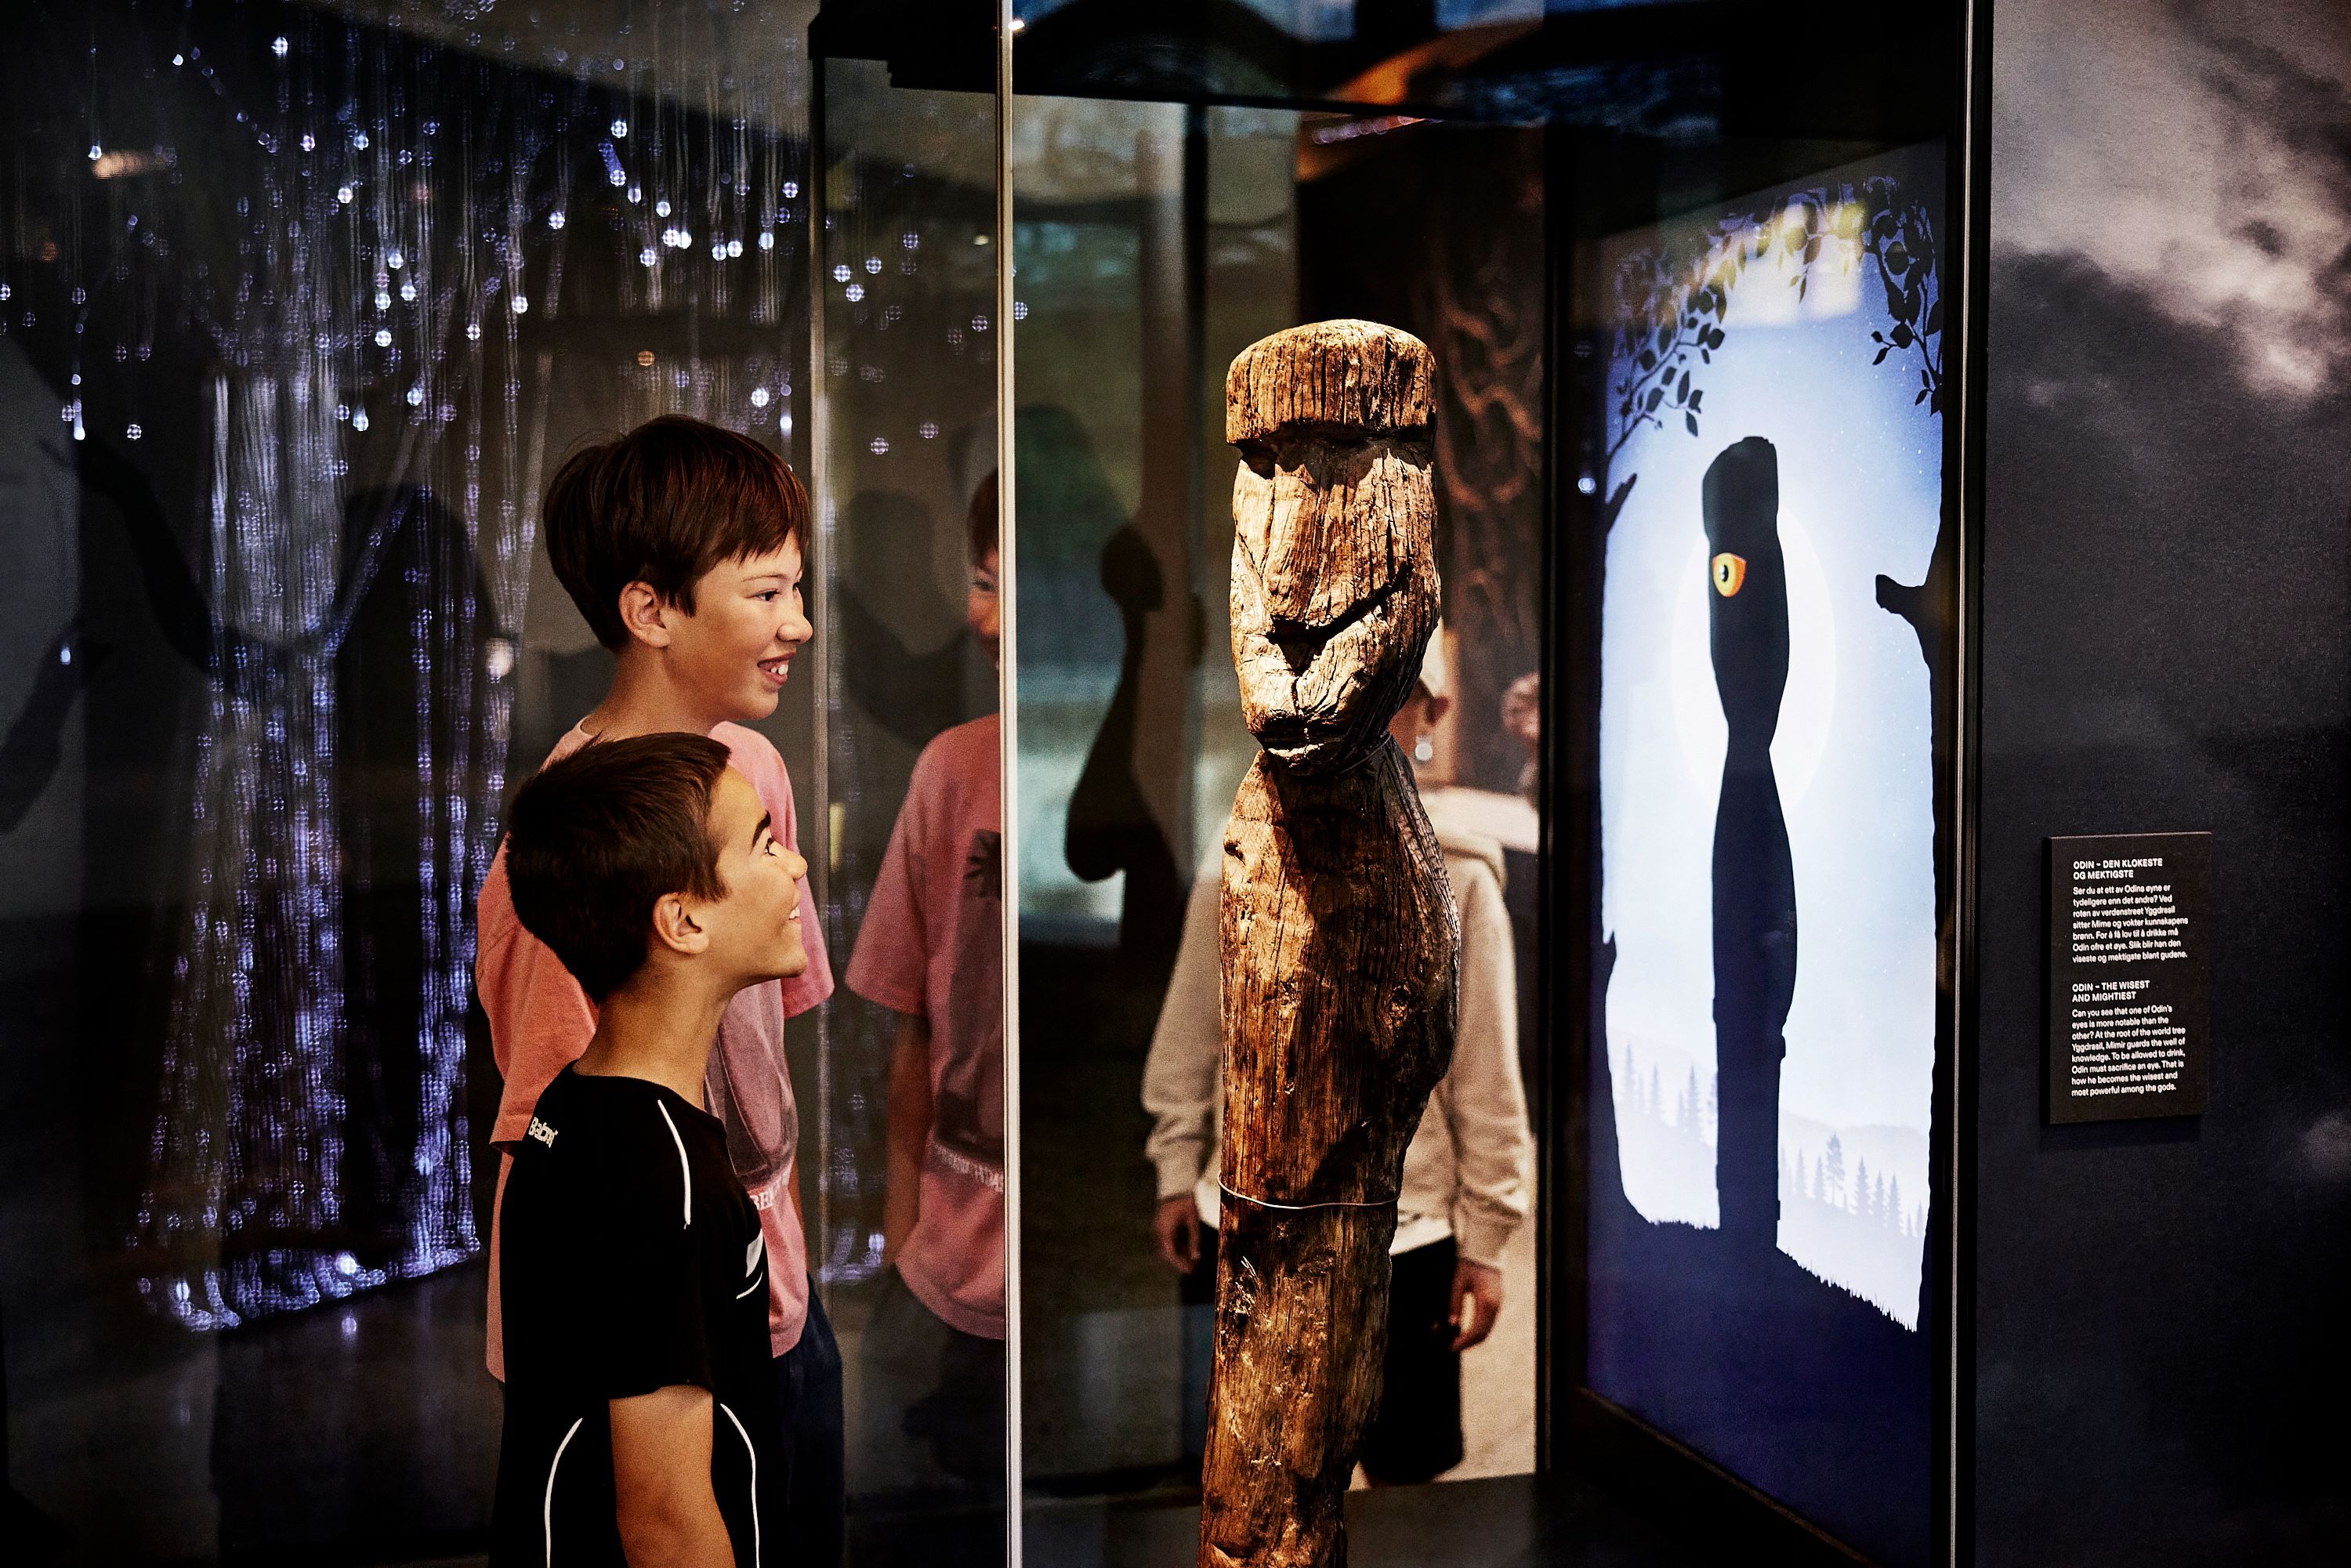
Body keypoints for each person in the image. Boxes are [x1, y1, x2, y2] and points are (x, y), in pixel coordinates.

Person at [474, 418, 841, 1561]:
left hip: (766, 1277)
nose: (800, 624)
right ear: (653, 609)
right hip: (649, 1333)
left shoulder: (758, 766)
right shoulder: (575, 845)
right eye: (769, 591)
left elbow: (772, 1049)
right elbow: (557, 1145)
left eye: (800, 586)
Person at [1142, 647, 1533, 1485]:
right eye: (1354, 700)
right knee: (1246, 1490)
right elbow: (1191, 1032)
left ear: (1431, 716)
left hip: (1405, 1238)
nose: (1370, 725)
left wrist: (1488, 1238)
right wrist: (1179, 1166)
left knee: (1404, 1503)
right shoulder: (1241, 857)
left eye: (1397, 703)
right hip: (1248, 1228)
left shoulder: (1460, 881)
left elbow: (1485, 1077)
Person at [491, 733, 807, 1566]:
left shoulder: (577, 1106)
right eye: (766, 845)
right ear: (683, 919)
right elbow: (664, 1516)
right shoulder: (656, 1170)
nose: (797, 868)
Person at [843, 476, 1006, 1496]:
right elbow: (912, 1031)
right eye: (976, 581)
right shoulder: (951, 769)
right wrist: (906, 1248)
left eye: (1001, 585)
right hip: (948, 1280)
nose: (978, 616)